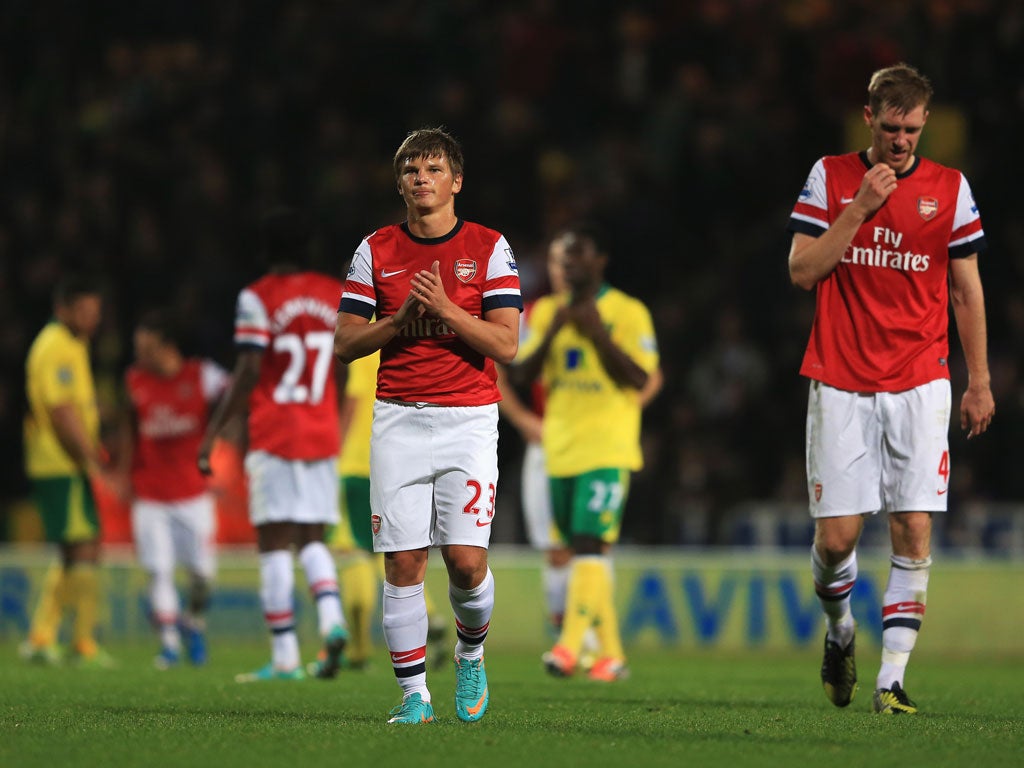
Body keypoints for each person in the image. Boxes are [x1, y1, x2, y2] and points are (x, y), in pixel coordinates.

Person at [787, 63, 994, 714]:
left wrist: (978, 379)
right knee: (837, 541)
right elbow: (802, 270)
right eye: (891, 127)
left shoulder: (950, 190)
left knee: (912, 528)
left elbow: (966, 289)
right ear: (868, 117)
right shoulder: (832, 176)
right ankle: (841, 631)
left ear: (925, 122)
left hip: (921, 382)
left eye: (911, 129)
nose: (901, 141)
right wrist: (861, 209)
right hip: (841, 378)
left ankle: (892, 679)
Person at [334, 127, 522, 724]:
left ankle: (471, 653)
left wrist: (443, 309)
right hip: (398, 419)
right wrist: (398, 322)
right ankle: (414, 695)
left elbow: (508, 343)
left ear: (456, 181)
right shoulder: (376, 250)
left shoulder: (490, 247)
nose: (422, 179)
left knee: (466, 563)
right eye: (412, 170)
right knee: (403, 561)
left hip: (469, 419)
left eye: (433, 169)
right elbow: (344, 344)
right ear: (400, 183)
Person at [198, 207, 350, 682]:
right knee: (312, 538)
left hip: (275, 430)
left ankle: (285, 655)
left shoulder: (257, 297)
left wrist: (213, 430)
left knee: (273, 543)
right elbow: (344, 364)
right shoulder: (334, 294)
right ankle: (331, 621)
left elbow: (247, 371)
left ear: (266, 248)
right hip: (321, 429)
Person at [511, 223, 660, 683]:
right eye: (562, 258)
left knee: (591, 544)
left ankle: (569, 647)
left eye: (578, 257)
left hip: (607, 447)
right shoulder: (546, 313)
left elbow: (641, 378)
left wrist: (598, 335)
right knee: (578, 549)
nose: (569, 266)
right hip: (559, 447)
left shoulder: (628, 311)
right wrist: (556, 329)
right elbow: (521, 375)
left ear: (599, 261)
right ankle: (611, 655)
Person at [327, 346, 448, 671]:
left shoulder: (366, 335)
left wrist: (334, 448)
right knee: (392, 550)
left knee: (352, 552)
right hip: (396, 461)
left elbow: (354, 397)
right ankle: (431, 615)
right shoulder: (409, 338)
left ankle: (359, 649)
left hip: (357, 461)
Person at [120, 309, 229, 669]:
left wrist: (221, 435)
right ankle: (168, 645)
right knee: (159, 570)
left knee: (203, 575)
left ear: (166, 346)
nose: (140, 356)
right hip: (150, 495)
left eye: (146, 348)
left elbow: (239, 395)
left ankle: (193, 622)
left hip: (194, 493)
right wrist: (124, 473)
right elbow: (129, 429)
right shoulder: (135, 380)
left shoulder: (203, 376)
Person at [20, 273, 119, 668]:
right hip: (61, 461)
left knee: (73, 549)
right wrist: (92, 462)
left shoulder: (72, 342)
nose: (91, 319)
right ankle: (79, 642)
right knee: (85, 546)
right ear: (62, 309)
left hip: (59, 461)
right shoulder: (57, 346)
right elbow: (63, 414)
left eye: (95, 312)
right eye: (83, 311)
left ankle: (43, 637)